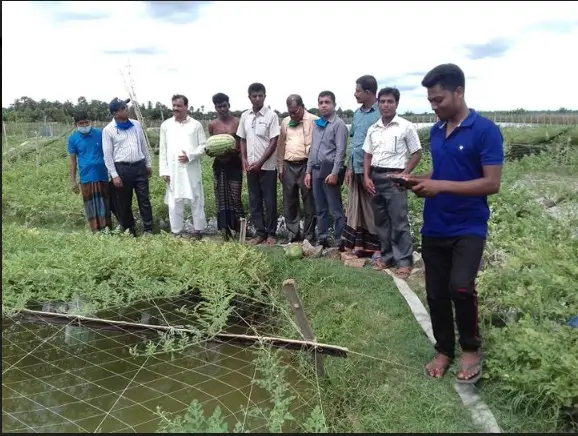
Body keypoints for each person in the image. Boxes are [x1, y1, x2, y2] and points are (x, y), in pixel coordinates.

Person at [403, 64, 504, 384]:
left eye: (439, 99)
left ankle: (471, 349)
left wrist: (440, 187)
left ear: (459, 92)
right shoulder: (435, 131)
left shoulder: (486, 130)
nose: (434, 106)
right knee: (435, 293)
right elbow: (442, 172)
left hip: (468, 226)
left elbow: (491, 183)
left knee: (460, 286)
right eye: (430, 101)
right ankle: (445, 349)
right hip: (435, 224)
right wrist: (416, 180)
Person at [362, 87, 423, 279]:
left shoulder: (406, 126)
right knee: (381, 221)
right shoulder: (373, 128)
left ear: (396, 103)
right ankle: (387, 257)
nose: (386, 105)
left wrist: (405, 174)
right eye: (382, 101)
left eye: (390, 101)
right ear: (377, 103)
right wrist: (366, 176)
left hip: (395, 178)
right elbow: (367, 154)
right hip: (375, 177)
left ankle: (404, 261)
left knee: (399, 221)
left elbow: (417, 153)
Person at [342, 75, 382, 257]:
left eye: (358, 91)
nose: (355, 94)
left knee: (372, 207)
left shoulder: (380, 112)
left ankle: (378, 247)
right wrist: (349, 168)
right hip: (356, 166)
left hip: (372, 168)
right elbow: (355, 143)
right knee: (356, 207)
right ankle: (360, 245)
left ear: (368, 92)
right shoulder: (357, 114)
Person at [237, 83, 280, 246]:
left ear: (264, 96)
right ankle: (260, 233)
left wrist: (260, 162)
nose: (257, 98)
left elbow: (274, 141)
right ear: (249, 97)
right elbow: (242, 138)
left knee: (269, 202)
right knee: (254, 201)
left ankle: (271, 234)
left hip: (267, 167)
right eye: (254, 96)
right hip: (250, 167)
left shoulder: (271, 116)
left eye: (260, 95)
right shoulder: (245, 116)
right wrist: (244, 159)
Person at [102, 97, 153, 236]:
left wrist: (148, 164)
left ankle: (149, 229)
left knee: (144, 199)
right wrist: (114, 175)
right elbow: (107, 155)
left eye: (126, 106)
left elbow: (143, 146)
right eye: (124, 108)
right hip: (122, 169)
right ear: (115, 113)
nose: (127, 109)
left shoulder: (136, 125)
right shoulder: (108, 130)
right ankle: (130, 230)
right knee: (124, 202)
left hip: (139, 166)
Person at [159, 94, 207, 239]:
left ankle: (198, 230)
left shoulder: (196, 125)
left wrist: (190, 156)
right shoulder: (166, 125)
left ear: (186, 107)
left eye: (179, 106)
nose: (175, 108)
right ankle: (176, 231)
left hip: (191, 169)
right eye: (174, 105)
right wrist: (164, 171)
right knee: (174, 201)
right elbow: (163, 150)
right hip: (173, 171)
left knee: (196, 198)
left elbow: (204, 146)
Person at [305, 91, 348, 248]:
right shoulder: (317, 125)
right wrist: (308, 172)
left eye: (327, 102)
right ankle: (322, 238)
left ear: (334, 105)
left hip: (329, 170)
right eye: (321, 102)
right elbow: (312, 149)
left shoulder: (339, 125)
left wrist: (335, 173)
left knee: (335, 208)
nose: (323, 105)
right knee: (320, 208)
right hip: (316, 170)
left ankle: (339, 240)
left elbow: (340, 151)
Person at [277, 94, 318, 242]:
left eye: (295, 111)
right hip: (289, 165)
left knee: (309, 202)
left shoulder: (314, 120)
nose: (292, 115)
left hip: (306, 165)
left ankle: (309, 235)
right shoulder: (286, 122)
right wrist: (281, 168)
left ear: (302, 107)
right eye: (290, 112)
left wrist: (312, 169)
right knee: (289, 201)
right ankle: (293, 233)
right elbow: (281, 147)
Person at [207, 93, 245, 241]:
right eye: (218, 106)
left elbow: (242, 143)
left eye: (224, 105)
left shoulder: (237, 122)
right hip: (219, 165)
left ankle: (240, 229)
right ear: (215, 107)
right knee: (221, 198)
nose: (222, 109)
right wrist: (210, 151)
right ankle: (225, 230)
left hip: (235, 163)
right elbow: (211, 144)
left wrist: (235, 151)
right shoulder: (212, 125)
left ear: (229, 105)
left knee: (236, 197)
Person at [68, 110, 112, 232]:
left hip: (102, 175)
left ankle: (107, 230)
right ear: (76, 125)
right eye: (81, 123)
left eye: (86, 122)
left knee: (104, 204)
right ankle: (95, 231)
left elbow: (109, 153)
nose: (84, 126)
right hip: (86, 177)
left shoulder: (101, 134)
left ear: (90, 122)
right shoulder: (73, 139)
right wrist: (73, 180)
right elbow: (73, 162)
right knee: (91, 206)